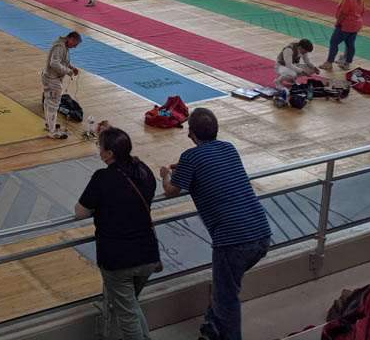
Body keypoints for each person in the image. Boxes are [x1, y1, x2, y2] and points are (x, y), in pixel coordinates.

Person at [160, 108, 271, 340]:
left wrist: (165, 175)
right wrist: (186, 169)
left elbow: (171, 191)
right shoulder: (228, 148)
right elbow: (212, 168)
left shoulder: (190, 157)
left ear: (190, 134)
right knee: (225, 288)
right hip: (261, 233)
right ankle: (210, 330)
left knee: (226, 298)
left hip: (233, 240)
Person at [75, 127, 160, 340]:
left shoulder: (102, 178)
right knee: (130, 305)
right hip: (148, 254)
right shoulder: (143, 170)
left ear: (109, 153)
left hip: (118, 259)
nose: (99, 151)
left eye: (100, 147)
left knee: (127, 314)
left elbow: (80, 212)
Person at [42, 31, 81, 139]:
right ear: (71, 39)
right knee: (53, 104)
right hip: (52, 79)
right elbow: (54, 63)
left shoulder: (63, 44)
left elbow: (63, 60)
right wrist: (68, 71)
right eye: (75, 44)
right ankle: (52, 132)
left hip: (50, 77)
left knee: (48, 101)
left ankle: (49, 125)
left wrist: (71, 67)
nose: (75, 47)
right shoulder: (60, 46)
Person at [319, 0, 364, 72]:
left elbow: (343, 13)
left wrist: (337, 22)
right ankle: (347, 63)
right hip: (355, 25)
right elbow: (362, 12)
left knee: (333, 42)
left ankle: (329, 62)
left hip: (345, 25)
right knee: (350, 44)